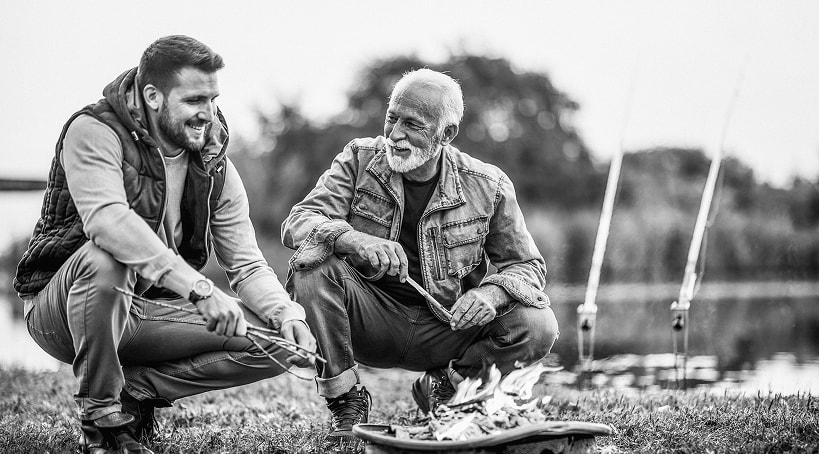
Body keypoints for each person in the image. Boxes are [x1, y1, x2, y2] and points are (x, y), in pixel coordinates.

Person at [14, 35, 316, 454]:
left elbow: (246, 265)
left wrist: (289, 315)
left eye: (212, 99)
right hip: (63, 309)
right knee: (107, 258)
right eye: (194, 100)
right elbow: (107, 222)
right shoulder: (93, 131)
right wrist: (199, 289)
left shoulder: (214, 166)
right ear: (153, 95)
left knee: (278, 340)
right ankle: (100, 421)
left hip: (148, 311)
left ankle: (134, 393)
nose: (207, 114)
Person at [282, 68, 559, 440]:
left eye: (412, 124)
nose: (395, 134)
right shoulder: (357, 159)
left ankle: (447, 386)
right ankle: (347, 403)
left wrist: (491, 293)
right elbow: (298, 222)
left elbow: (528, 266)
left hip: (446, 329)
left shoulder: (489, 185)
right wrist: (352, 239)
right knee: (310, 269)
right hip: (368, 323)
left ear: (447, 134)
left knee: (538, 324)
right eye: (392, 117)